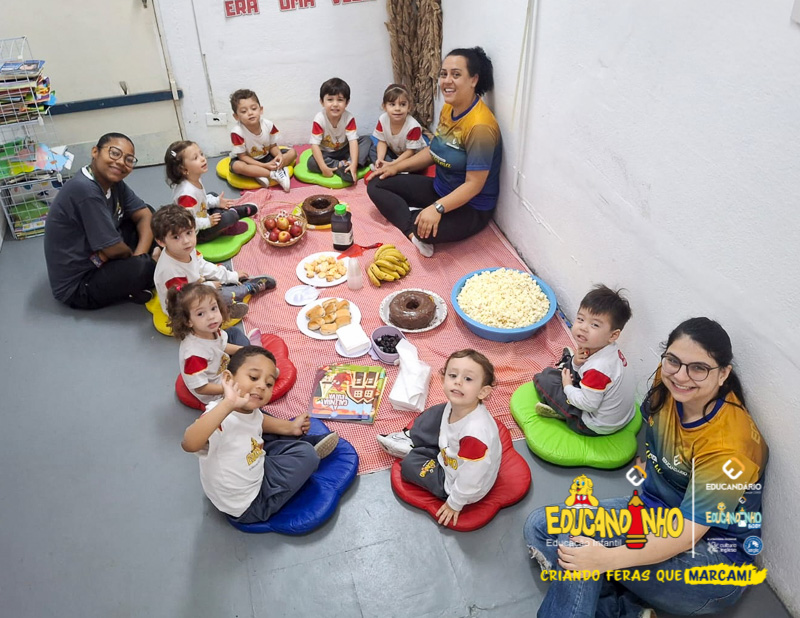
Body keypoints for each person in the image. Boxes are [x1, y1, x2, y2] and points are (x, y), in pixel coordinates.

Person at [524, 318, 769, 618]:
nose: (681, 375)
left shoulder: (729, 445)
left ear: (723, 374)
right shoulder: (667, 383)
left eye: (699, 368)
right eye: (673, 360)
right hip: (656, 514)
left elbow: (687, 535)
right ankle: (626, 610)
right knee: (540, 526)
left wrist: (607, 559)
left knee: (575, 542)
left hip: (712, 563)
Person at [367, 47, 502, 258]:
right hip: (440, 189)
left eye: (456, 75)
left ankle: (414, 223)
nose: (447, 81)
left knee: (424, 228)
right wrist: (395, 167)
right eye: (443, 74)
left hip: (471, 207)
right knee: (376, 183)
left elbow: (474, 185)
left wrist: (437, 208)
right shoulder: (449, 108)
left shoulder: (480, 127)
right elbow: (434, 151)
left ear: (473, 80)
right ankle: (413, 229)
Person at [181, 345, 339, 524]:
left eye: (269, 383)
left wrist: (291, 427)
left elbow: (258, 420)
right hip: (252, 503)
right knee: (307, 456)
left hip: (252, 463)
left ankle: (293, 435)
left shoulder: (247, 408)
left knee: (260, 418)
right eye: (254, 377)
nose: (262, 386)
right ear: (228, 379)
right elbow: (189, 444)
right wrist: (228, 403)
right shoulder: (219, 418)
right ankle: (303, 446)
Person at [376, 349, 501, 528]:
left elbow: (472, 477)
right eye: (453, 375)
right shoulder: (456, 405)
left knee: (410, 465)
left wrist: (455, 502)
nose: (458, 382)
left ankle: (414, 450)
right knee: (438, 411)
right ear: (443, 379)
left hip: (455, 481)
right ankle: (410, 438)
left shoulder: (475, 435)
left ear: (483, 392)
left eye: (468, 379)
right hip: (449, 450)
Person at [44, 132, 157, 308]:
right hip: (81, 284)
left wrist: (138, 257)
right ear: (95, 152)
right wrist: (138, 263)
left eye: (128, 159)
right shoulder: (85, 190)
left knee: (153, 219)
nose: (121, 162)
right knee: (147, 265)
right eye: (114, 153)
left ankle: (145, 267)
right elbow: (113, 250)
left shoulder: (112, 181)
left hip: (102, 253)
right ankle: (146, 269)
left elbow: (144, 214)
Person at [532, 285, 635, 435]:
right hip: (617, 413)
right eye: (580, 319)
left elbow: (588, 405)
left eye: (595, 325)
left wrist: (567, 386)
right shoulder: (608, 349)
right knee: (571, 364)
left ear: (613, 335)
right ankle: (569, 364)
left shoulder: (599, 369)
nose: (583, 327)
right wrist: (576, 363)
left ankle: (561, 412)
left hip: (593, 424)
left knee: (545, 378)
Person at [151, 204, 274, 321]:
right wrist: (209, 286)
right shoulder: (170, 272)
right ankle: (245, 290)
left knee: (222, 269)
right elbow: (185, 299)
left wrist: (231, 276)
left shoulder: (184, 249)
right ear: (161, 241)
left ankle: (231, 292)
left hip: (194, 285)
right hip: (183, 307)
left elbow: (202, 265)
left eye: (189, 233)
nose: (187, 241)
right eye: (176, 237)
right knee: (222, 295)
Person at [167, 282, 246, 405]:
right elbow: (201, 388)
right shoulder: (194, 355)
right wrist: (228, 389)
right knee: (248, 402)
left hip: (222, 366)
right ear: (188, 321)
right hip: (218, 392)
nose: (211, 317)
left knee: (234, 333)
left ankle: (253, 355)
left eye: (213, 308)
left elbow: (222, 346)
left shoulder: (210, 330)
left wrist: (244, 350)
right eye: (200, 314)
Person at [165, 140, 258, 241]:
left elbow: (202, 203)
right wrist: (208, 222)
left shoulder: (193, 178)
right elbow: (188, 223)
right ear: (184, 170)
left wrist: (217, 202)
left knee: (212, 195)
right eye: (195, 158)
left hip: (201, 215)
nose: (202, 159)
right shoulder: (186, 195)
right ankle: (231, 217)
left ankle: (226, 213)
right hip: (195, 232)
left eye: (201, 154)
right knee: (229, 218)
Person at [227, 89, 297, 192]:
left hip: (266, 156)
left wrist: (279, 156)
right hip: (248, 160)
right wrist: (264, 165)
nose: (250, 113)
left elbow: (272, 146)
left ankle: (258, 173)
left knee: (293, 152)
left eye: (253, 108)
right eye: (244, 111)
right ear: (236, 116)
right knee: (237, 166)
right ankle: (273, 174)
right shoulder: (237, 132)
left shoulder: (268, 125)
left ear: (261, 110)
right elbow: (242, 156)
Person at [308, 77, 372, 185]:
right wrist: (323, 168)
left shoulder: (349, 118)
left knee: (366, 140)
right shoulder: (319, 119)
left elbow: (353, 141)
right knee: (312, 163)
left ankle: (350, 165)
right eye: (330, 100)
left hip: (344, 149)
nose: (335, 104)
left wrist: (354, 164)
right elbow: (314, 145)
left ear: (347, 102)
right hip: (327, 153)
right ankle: (341, 166)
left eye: (340, 100)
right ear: (322, 102)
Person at [369, 84, 426, 173]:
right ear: (384, 106)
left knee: (420, 164)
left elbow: (411, 151)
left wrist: (393, 164)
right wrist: (380, 159)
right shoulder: (382, 119)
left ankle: (394, 168)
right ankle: (384, 165)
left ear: (409, 107)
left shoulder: (413, 126)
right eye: (392, 104)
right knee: (373, 149)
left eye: (402, 104)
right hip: (395, 154)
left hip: (412, 156)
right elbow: (382, 142)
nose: (397, 108)